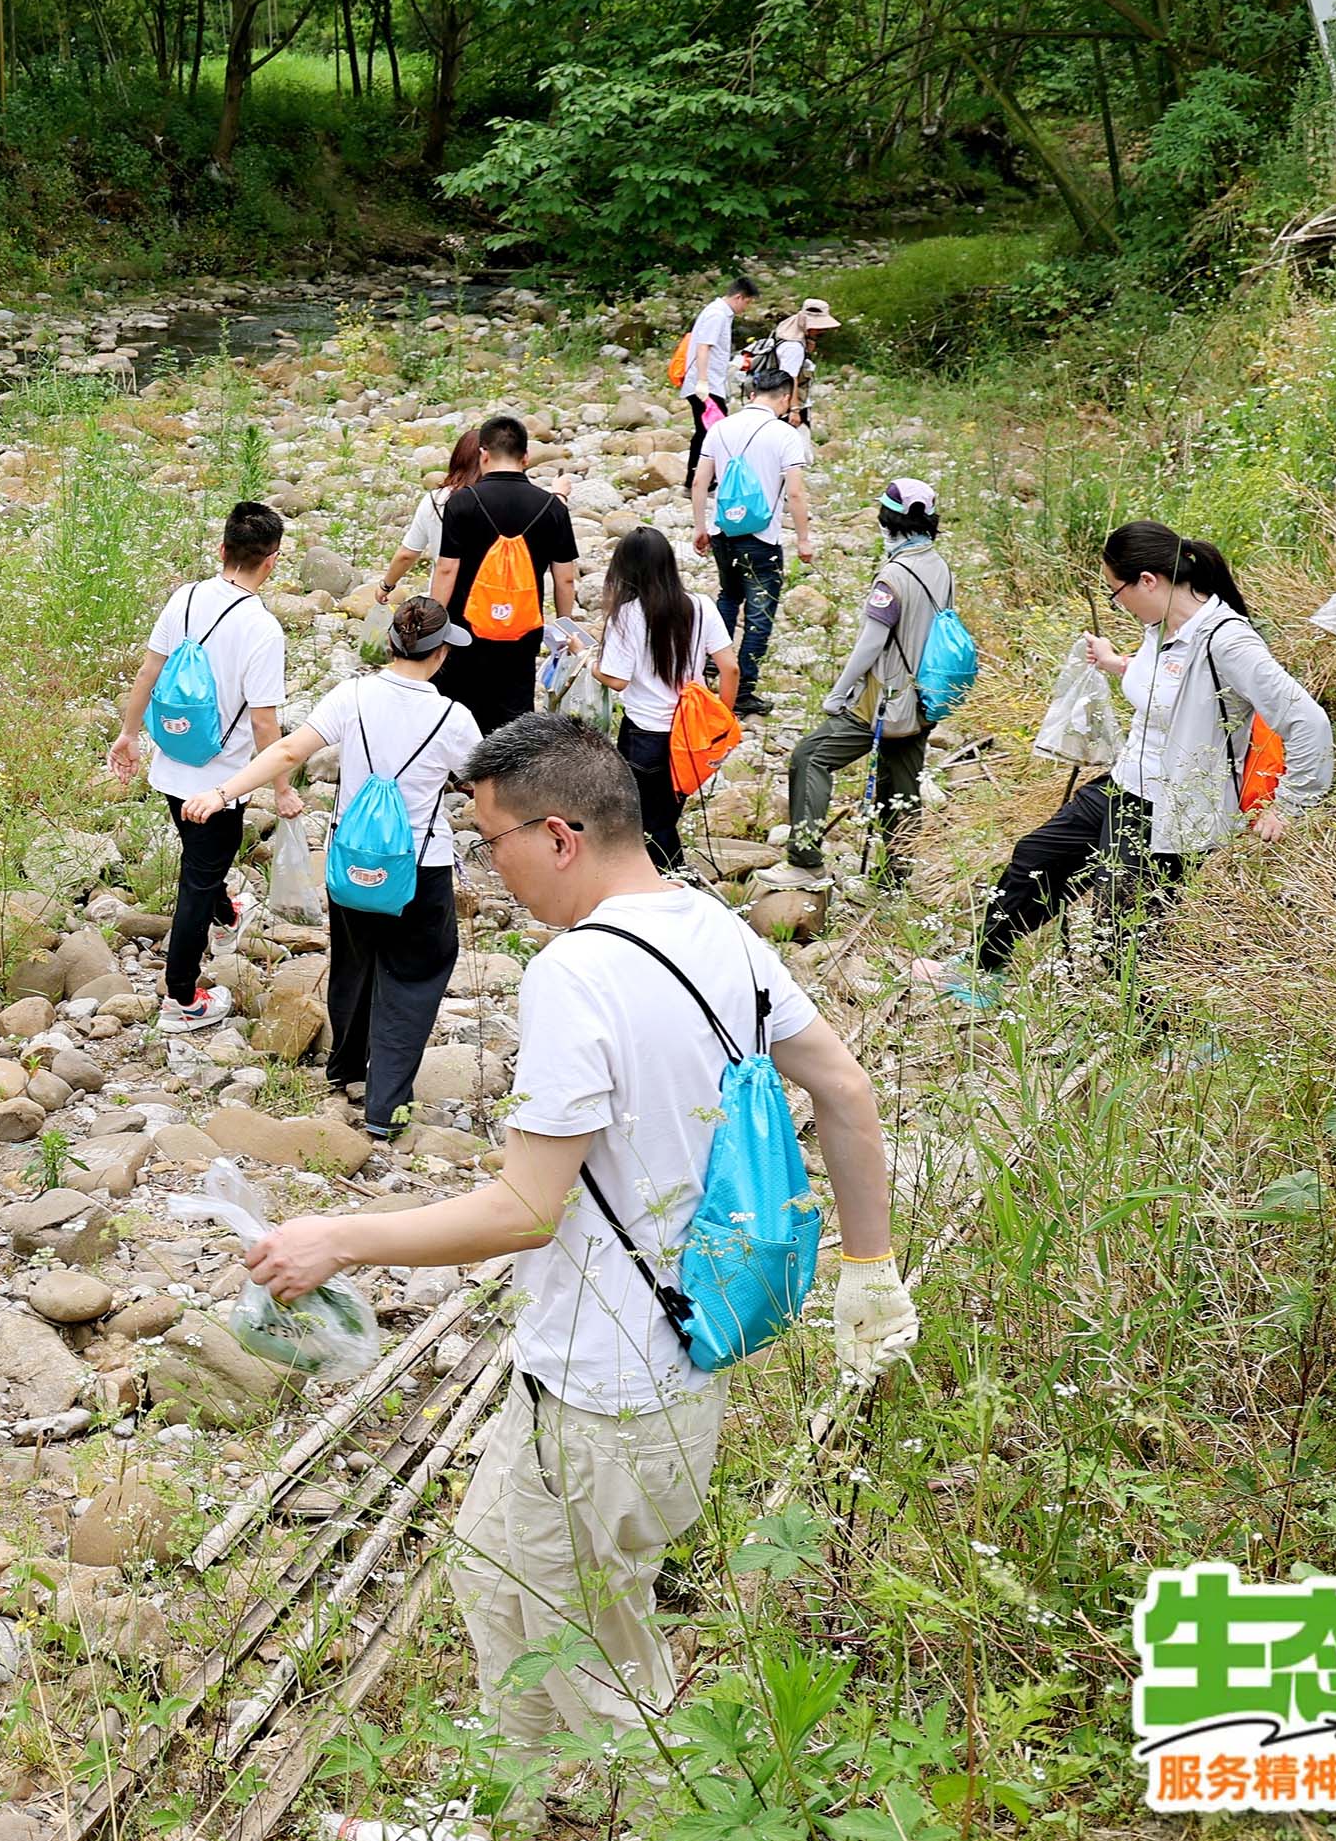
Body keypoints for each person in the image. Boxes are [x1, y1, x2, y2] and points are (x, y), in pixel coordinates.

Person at [237, 716, 913, 1781]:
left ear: (557, 834)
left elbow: (524, 1206)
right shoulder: (714, 928)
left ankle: (669, 1831)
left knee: (596, 1658)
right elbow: (843, 1087)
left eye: (489, 840)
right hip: (653, 1364)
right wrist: (868, 1272)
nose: (484, 868)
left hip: (608, 1387)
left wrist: (338, 1239)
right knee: (498, 1583)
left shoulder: (573, 973)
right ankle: (507, 1816)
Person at [916, 524, 1332, 1004]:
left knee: (1126, 932)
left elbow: (1307, 722)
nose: (1118, 604)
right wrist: (1118, 665)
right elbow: (1168, 690)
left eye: (1117, 592)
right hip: (1125, 784)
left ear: (1148, 581)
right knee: (1036, 859)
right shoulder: (1162, 629)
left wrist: (1290, 804)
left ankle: (1175, 1042)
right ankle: (982, 971)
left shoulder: (1227, 643)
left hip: (1171, 809)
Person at [183, 595, 481, 1145]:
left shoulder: (355, 695)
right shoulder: (453, 718)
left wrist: (222, 792)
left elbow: (290, 751)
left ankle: (347, 1067)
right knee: (415, 975)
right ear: (439, 655)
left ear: (391, 642)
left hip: (351, 862)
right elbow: (477, 782)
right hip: (420, 868)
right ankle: (386, 1107)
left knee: (353, 958)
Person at [109, 501, 298, 1036]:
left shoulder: (184, 597)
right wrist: (281, 786)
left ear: (222, 550)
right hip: (221, 781)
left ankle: (226, 913)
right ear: (272, 561)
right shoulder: (262, 629)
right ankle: (182, 995)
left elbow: (149, 672)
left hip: (174, 762)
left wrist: (128, 735)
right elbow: (265, 724)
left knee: (201, 864)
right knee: (197, 879)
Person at [778, 478, 954, 887]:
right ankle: (895, 878)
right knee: (902, 786)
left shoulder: (892, 576)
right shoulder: (941, 567)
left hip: (883, 701)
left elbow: (871, 644)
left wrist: (838, 693)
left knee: (810, 757)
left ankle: (804, 860)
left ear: (886, 522)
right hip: (926, 697)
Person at [588, 526, 736, 875]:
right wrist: (723, 720)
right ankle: (666, 881)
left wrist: (591, 664)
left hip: (645, 735)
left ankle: (675, 884)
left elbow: (618, 680)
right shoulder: (702, 606)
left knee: (649, 825)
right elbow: (729, 668)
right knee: (666, 814)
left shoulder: (626, 615)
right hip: (691, 732)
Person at [425, 416, 580, 731]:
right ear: (526, 458)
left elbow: (446, 567)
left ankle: (464, 774)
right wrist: (565, 628)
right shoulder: (552, 507)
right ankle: (505, 773)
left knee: (459, 699)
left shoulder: (462, 503)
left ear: (483, 454)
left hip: (465, 624)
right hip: (522, 626)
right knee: (514, 704)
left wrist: (435, 620)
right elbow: (564, 577)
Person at [688, 363, 814, 713]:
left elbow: (700, 483)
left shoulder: (720, 427)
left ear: (752, 393)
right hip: (761, 536)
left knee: (729, 596)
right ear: (786, 398)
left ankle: (714, 660)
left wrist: (701, 527)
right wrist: (804, 539)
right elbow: (796, 494)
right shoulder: (785, 434)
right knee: (761, 614)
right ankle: (742, 692)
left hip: (724, 531)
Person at [381, 426, 484, 597]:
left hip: (446, 597)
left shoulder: (437, 500)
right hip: (496, 602)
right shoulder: (503, 500)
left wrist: (386, 586)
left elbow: (407, 554)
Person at [676, 272, 757, 480]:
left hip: (711, 382)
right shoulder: (717, 315)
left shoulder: (719, 313)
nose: (745, 308)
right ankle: (699, 482)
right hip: (705, 385)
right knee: (710, 433)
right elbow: (703, 347)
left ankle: (700, 480)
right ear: (739, 297)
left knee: (708, 432)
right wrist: (703, 382)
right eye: (746, 302)